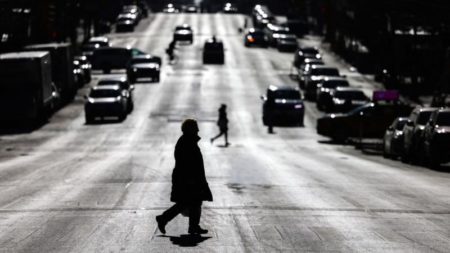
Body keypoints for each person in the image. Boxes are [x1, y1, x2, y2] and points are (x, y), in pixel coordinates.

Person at [156, 119, 213, 235]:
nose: (198, 130)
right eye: (195, 127)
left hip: (190, 178)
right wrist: (191, 179)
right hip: (188, 178)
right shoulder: (186, 142)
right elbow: (185, 163)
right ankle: (190, 226)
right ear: (189, 129)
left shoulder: (188, 141)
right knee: (192, 202)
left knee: (189, 202)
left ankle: (166, 219)